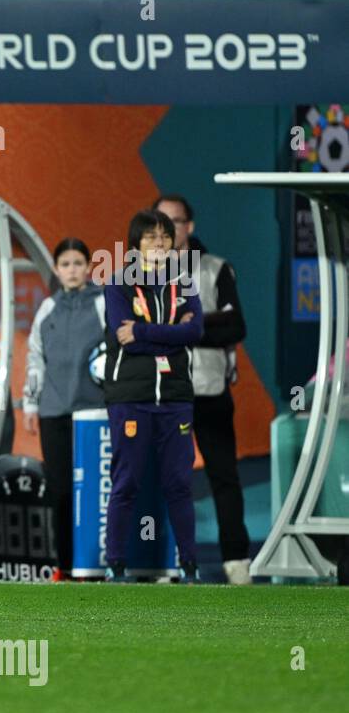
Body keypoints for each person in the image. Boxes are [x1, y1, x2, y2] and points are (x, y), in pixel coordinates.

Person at [154, 193, 252, 585]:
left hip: (210, 390)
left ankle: (236, 559)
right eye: (158, 222)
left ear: (189, 226)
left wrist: (183, 327)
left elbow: (236, 327)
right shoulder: (141, 271)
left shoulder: (214, 270)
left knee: (223, 476)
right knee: (162, 477)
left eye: (174, 222)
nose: (166, 230)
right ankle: (163, 560)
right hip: (162, 390)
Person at [103, 209, 204, 583]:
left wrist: (144, 332)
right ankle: (115, 564)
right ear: (136, 245)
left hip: (176, 397)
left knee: (178, 483)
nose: (159, 243)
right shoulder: (118, 284)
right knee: (126, 481)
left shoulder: (185, 283)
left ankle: (190, 565)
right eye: (150, 237)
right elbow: (121, 336)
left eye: (165, 236)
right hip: (131, 396)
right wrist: (169, 334)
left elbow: (195, 333)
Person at [22, 237, 105, 579]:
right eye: (65, 264)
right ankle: (65, 566)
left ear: (89, 267)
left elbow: (119, 353)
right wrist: (30, 403)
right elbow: (35, 359)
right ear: (56, 270)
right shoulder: (47, 308)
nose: (72, 270)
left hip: (96, 413)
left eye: (78, 263)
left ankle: (103, 564)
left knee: (99, 490)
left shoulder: (105, 303)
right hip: (54, 412)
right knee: (60, 490)